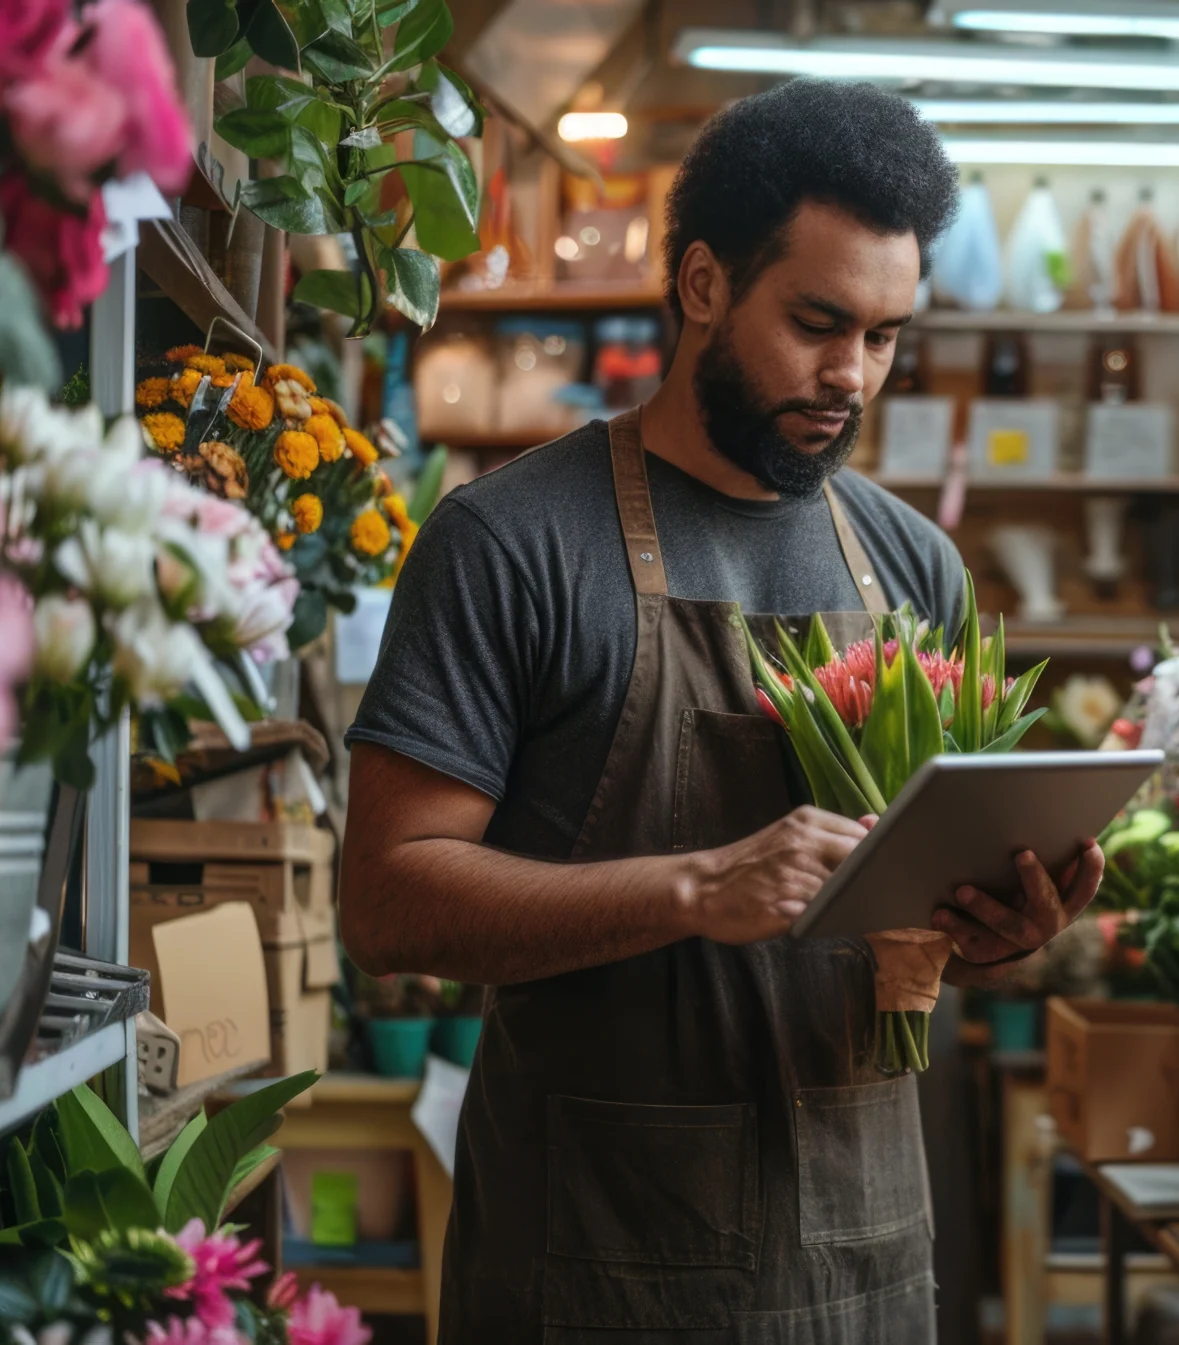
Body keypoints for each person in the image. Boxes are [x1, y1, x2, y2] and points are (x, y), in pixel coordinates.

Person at [340, 81, 1105, 1343]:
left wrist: (998, 929)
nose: (851, 375)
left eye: (885, 334)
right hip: (593, 1266)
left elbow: (924, 922)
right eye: (816, 322)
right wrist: (696, 888)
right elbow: (385, 899)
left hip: (862, 1260)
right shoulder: (514, 543)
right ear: (701, 284)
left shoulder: (915, 568)